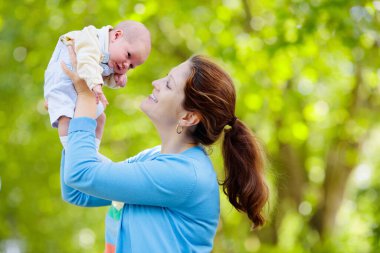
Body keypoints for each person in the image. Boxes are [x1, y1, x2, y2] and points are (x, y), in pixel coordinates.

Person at [60, 45, 269, 253]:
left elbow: (81, 174)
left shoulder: (186, 175)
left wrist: (86, 98)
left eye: (168, 84)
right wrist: (75, 121)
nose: (156, 83)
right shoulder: (154, 158)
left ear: (188, 117)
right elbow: (79, 192)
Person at [44, 20, 151, 149]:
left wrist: (115, 80)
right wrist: (96, 86)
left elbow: (102, 74)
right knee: (65, 117)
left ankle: (92, 152)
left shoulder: (111, 56)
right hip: (62, 82)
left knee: (100, 118)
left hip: (80, 86)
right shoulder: (92, 38)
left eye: (131, 66)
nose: (126, 65)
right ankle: (72, 151)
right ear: (116, 36)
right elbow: (86, 62)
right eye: (128, 55)